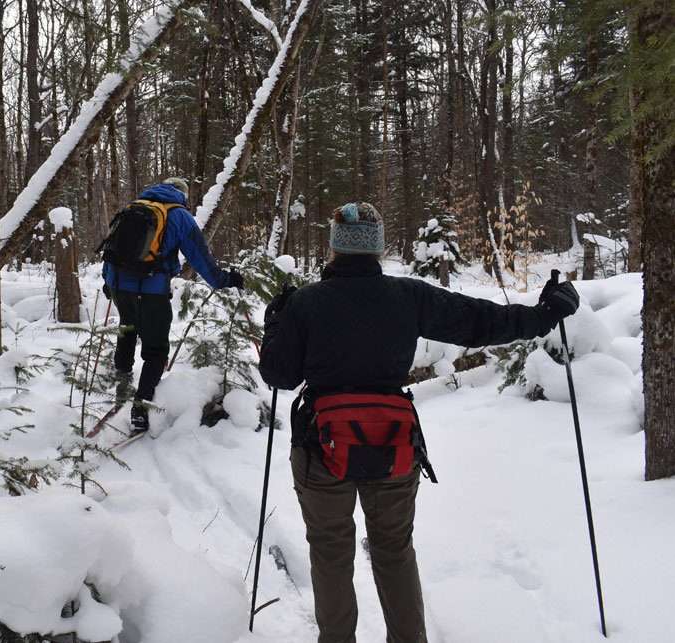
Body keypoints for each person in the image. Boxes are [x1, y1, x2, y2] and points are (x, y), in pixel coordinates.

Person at [259, 202, 579, 643]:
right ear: (377, 246)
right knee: (394, 550)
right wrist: (545, 315)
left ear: (335, 247)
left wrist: (275, 324)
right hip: (394, 444)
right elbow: (480, 323)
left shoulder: (305, 303)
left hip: (321, 449)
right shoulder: (408, 297)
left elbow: (280, 375)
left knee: (331, 550)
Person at [102, 177, 243, 431]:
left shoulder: (133, 207)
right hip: (152, 290)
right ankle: (141, 408)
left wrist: (108, 282)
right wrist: (225, 281)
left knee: (127, 330)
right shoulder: (179, 216)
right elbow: (201, 258)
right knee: (155, 350)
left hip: (119, 286)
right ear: (183, 195)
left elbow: (111, 249)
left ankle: (121, 389)